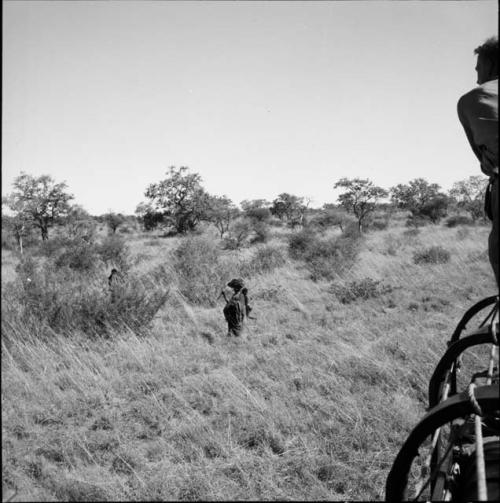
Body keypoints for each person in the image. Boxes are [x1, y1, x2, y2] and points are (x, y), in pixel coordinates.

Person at [457, 36, 498, 286]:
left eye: (478, 67)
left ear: (491, 65)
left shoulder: (473, 100)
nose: (476, 74)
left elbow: (482, 156)